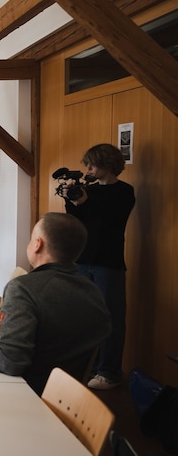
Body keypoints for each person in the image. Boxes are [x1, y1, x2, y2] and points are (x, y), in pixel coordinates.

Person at [0, 212, 112, 395]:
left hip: (25, 393)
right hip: (66, 399)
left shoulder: (23, 288)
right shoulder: (94, 292)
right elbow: (50, 336)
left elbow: (9, 361)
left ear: (37, 244)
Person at [62, 143, 135, 390]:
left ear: (108, 163)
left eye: (93, 164)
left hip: (108, 262)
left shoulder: (124, 191)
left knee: (111, 318)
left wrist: (84, 201)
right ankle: (90, 366)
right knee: (85, 316)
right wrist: (70, 198)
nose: (89, 169)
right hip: (83, 260)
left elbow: (111, 218)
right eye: (88, 165)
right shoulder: (87, 190)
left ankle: (109, 371)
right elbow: (76, 218)